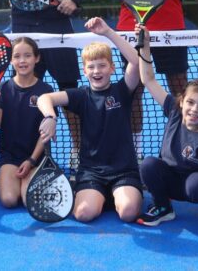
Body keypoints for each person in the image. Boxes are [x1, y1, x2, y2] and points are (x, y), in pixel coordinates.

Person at [36, 17, 143, 223]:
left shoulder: (122, 91)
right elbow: (45, 98)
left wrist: (108, 33)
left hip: (124, 171)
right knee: (84, 214)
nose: (97, 71)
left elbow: (136, 62)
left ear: (112, 69)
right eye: (91, 67)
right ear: (84, 71)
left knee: (128, 213)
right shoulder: (80, 95)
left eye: (102, 66)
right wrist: (50, 116)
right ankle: (103, 197)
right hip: (91, 172)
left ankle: (118, 196)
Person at [134, 27, 198, 233]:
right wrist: (145, 45)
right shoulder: (174, 112)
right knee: (148, 165)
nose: (195, 110)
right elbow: (148, 79)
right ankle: (164, 207)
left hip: (195, 186)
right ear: (181, 102)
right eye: (191, 102)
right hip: (170, 182)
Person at [0, 36, 55, 208]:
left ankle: (30, 179)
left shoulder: (47, 91)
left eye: (27, 55)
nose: (22, 61)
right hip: (9, 156)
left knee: (29, 201)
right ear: (10, 60)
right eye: (16, 56)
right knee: (9, 200)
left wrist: (32, 160)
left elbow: (46, 133)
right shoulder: (3, 88)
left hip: (36, 156)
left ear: (37, 58)